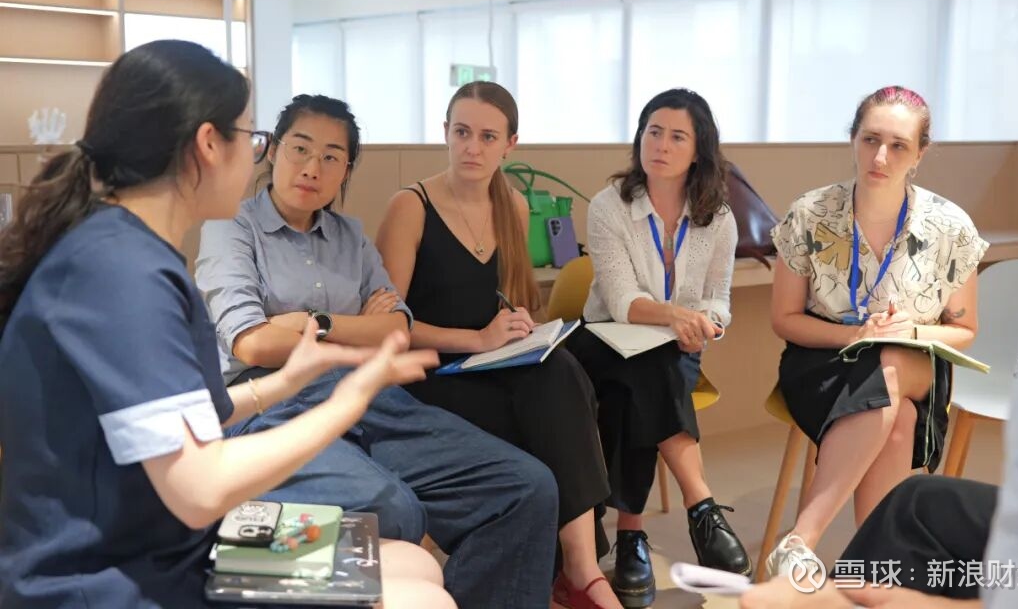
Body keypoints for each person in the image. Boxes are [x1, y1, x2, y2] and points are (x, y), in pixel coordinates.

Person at [0, 41, 454, 608]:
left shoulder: (128, 250)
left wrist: (284, 383)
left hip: (172, 544)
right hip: (113, 577)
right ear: (209, 144)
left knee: (414, 563)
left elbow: (179, 420)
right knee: (422, 598)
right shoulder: (121, 273)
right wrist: (348, 400)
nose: (258, 155)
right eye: (253, 137)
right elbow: (201, 488)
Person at [194, 93, 560, 609]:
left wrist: (313, 323)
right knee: (393, 510)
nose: (312, 167)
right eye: (300, 148)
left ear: (346, 170)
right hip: (270, 404)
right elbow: (253, 342)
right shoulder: (232, 227)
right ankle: (256, 546)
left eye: (331, 157)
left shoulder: (350, 236)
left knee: (526, 487)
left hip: (369, 396)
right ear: (273, 150)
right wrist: (357, 328)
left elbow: (397, 329)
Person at [375, 81, 618, 609]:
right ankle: (579, 571)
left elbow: (512, 297)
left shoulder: (513, 204)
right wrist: (477, 338)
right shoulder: (410, 206)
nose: (472, 147)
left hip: (488, 365)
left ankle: (578, 568)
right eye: (462, 132)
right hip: (428, 375)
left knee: (561, 373)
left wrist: (519, 325)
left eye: (488, 137)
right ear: (445, 132)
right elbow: (388, 328)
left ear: (510, 145)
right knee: (549, 415)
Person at [764, 85, 988, 579]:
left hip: (915, 362)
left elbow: (964, 330)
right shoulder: (810, 213)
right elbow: (785, 319)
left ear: (920, 154)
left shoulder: (951, 227)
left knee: (889, 365)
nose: (880, 157)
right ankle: (875, 574)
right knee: (897, 417)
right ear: (853, 139)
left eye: (898, 145)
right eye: (870, 140)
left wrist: (913, 332)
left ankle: (801, 539)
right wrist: (854, 336)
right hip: (824, 361)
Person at [565, 88, 752, 607]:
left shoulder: (719, 218)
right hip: (604, 338)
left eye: (677, 137)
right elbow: (622, 300)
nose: (661, 146)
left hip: (671, 349)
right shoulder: (609, 206)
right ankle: (702, 505)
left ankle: (631, 537)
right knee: (647, 370)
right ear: (639, 138)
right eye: (653, 132)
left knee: (640, 384)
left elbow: (719, 299)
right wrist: (677, 316)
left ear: (699, 150)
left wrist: (707, 324)